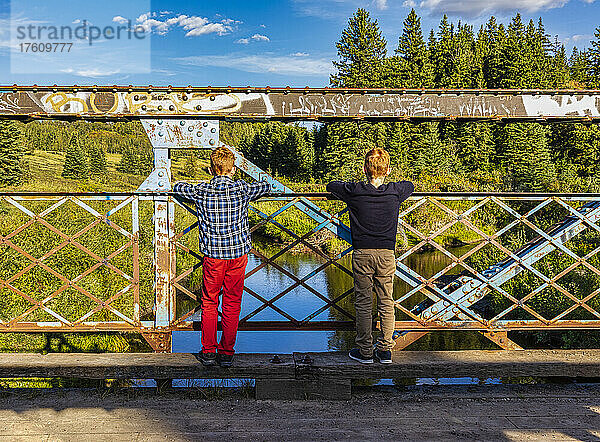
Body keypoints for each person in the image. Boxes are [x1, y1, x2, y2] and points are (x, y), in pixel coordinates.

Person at [173, 146, 271, 367]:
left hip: (213, 256)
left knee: (209, 302)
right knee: (232, 302)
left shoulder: (201, 191)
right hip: (237, 254)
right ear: (233, 169)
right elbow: (266, 185)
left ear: (210, 169)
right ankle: (226, 353)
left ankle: (208, 351)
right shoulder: (242, 189)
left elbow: (178, 187)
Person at [326, 148, 414, 364]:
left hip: (362, 253)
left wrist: (352, 184)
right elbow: (410, 185)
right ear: (388, 170)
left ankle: (365, 351)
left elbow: (331, 186)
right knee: (386, 301)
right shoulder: (395, 191)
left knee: (363, 302)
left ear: (364, 169)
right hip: (386, 253)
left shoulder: (354, 191)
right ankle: (385, 350)